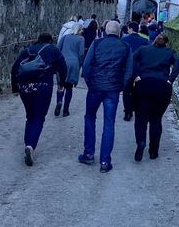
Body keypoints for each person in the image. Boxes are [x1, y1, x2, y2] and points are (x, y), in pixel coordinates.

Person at [78, 20, 133, 173]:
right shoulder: (125, 47)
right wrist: (120, 86)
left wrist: (90, 82)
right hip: (113, 90)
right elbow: (129, 71)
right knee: (109, 123)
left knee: (90, 117)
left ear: (106, 31)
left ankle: (88, 153)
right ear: (119, 32)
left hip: (95, 87)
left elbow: (87, 65)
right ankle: (104, 161)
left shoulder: (96, 44)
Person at [11, 32, 67, 167]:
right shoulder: (53, 50)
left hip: (25, 88)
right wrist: (61, 83)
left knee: (30, 116)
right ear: (50, 41)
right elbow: (63, 68)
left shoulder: (27, 50)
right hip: (43, 87)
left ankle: (27, 144)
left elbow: (14, 69)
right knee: (38, 117)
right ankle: (30, 145)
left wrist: (15, 88)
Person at [131, 33, 179, 162]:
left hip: (143, 84)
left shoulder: (143, 49)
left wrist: (136, 75)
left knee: (140, 117)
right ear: (166, 43)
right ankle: (153, 151)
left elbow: (130, 59)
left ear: (154, 41)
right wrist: (171, 79)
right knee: (156, 119)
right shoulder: (170, 52)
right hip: (162, 86)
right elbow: (178, 61)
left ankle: (141, 142)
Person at [121, 22, 149, 121]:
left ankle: (128, 112)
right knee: (136, 91)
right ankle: (134, 109)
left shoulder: (124, 40)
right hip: (139, 70)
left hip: (127, 69)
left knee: (126, 91)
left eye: (128, 28)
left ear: (130, 29)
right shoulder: (144, 41)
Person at [55, 23, 85, 117]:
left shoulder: (65, 37)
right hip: (73, 63)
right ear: (78, 30)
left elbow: (58, 48)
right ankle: (66, 110)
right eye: (81, 30)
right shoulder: (81, 39)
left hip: (63, 63)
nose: (82, 31)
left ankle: (59, 101)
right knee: (69, 87)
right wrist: (80, 64)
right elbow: (81, 54)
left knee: (60, 85)